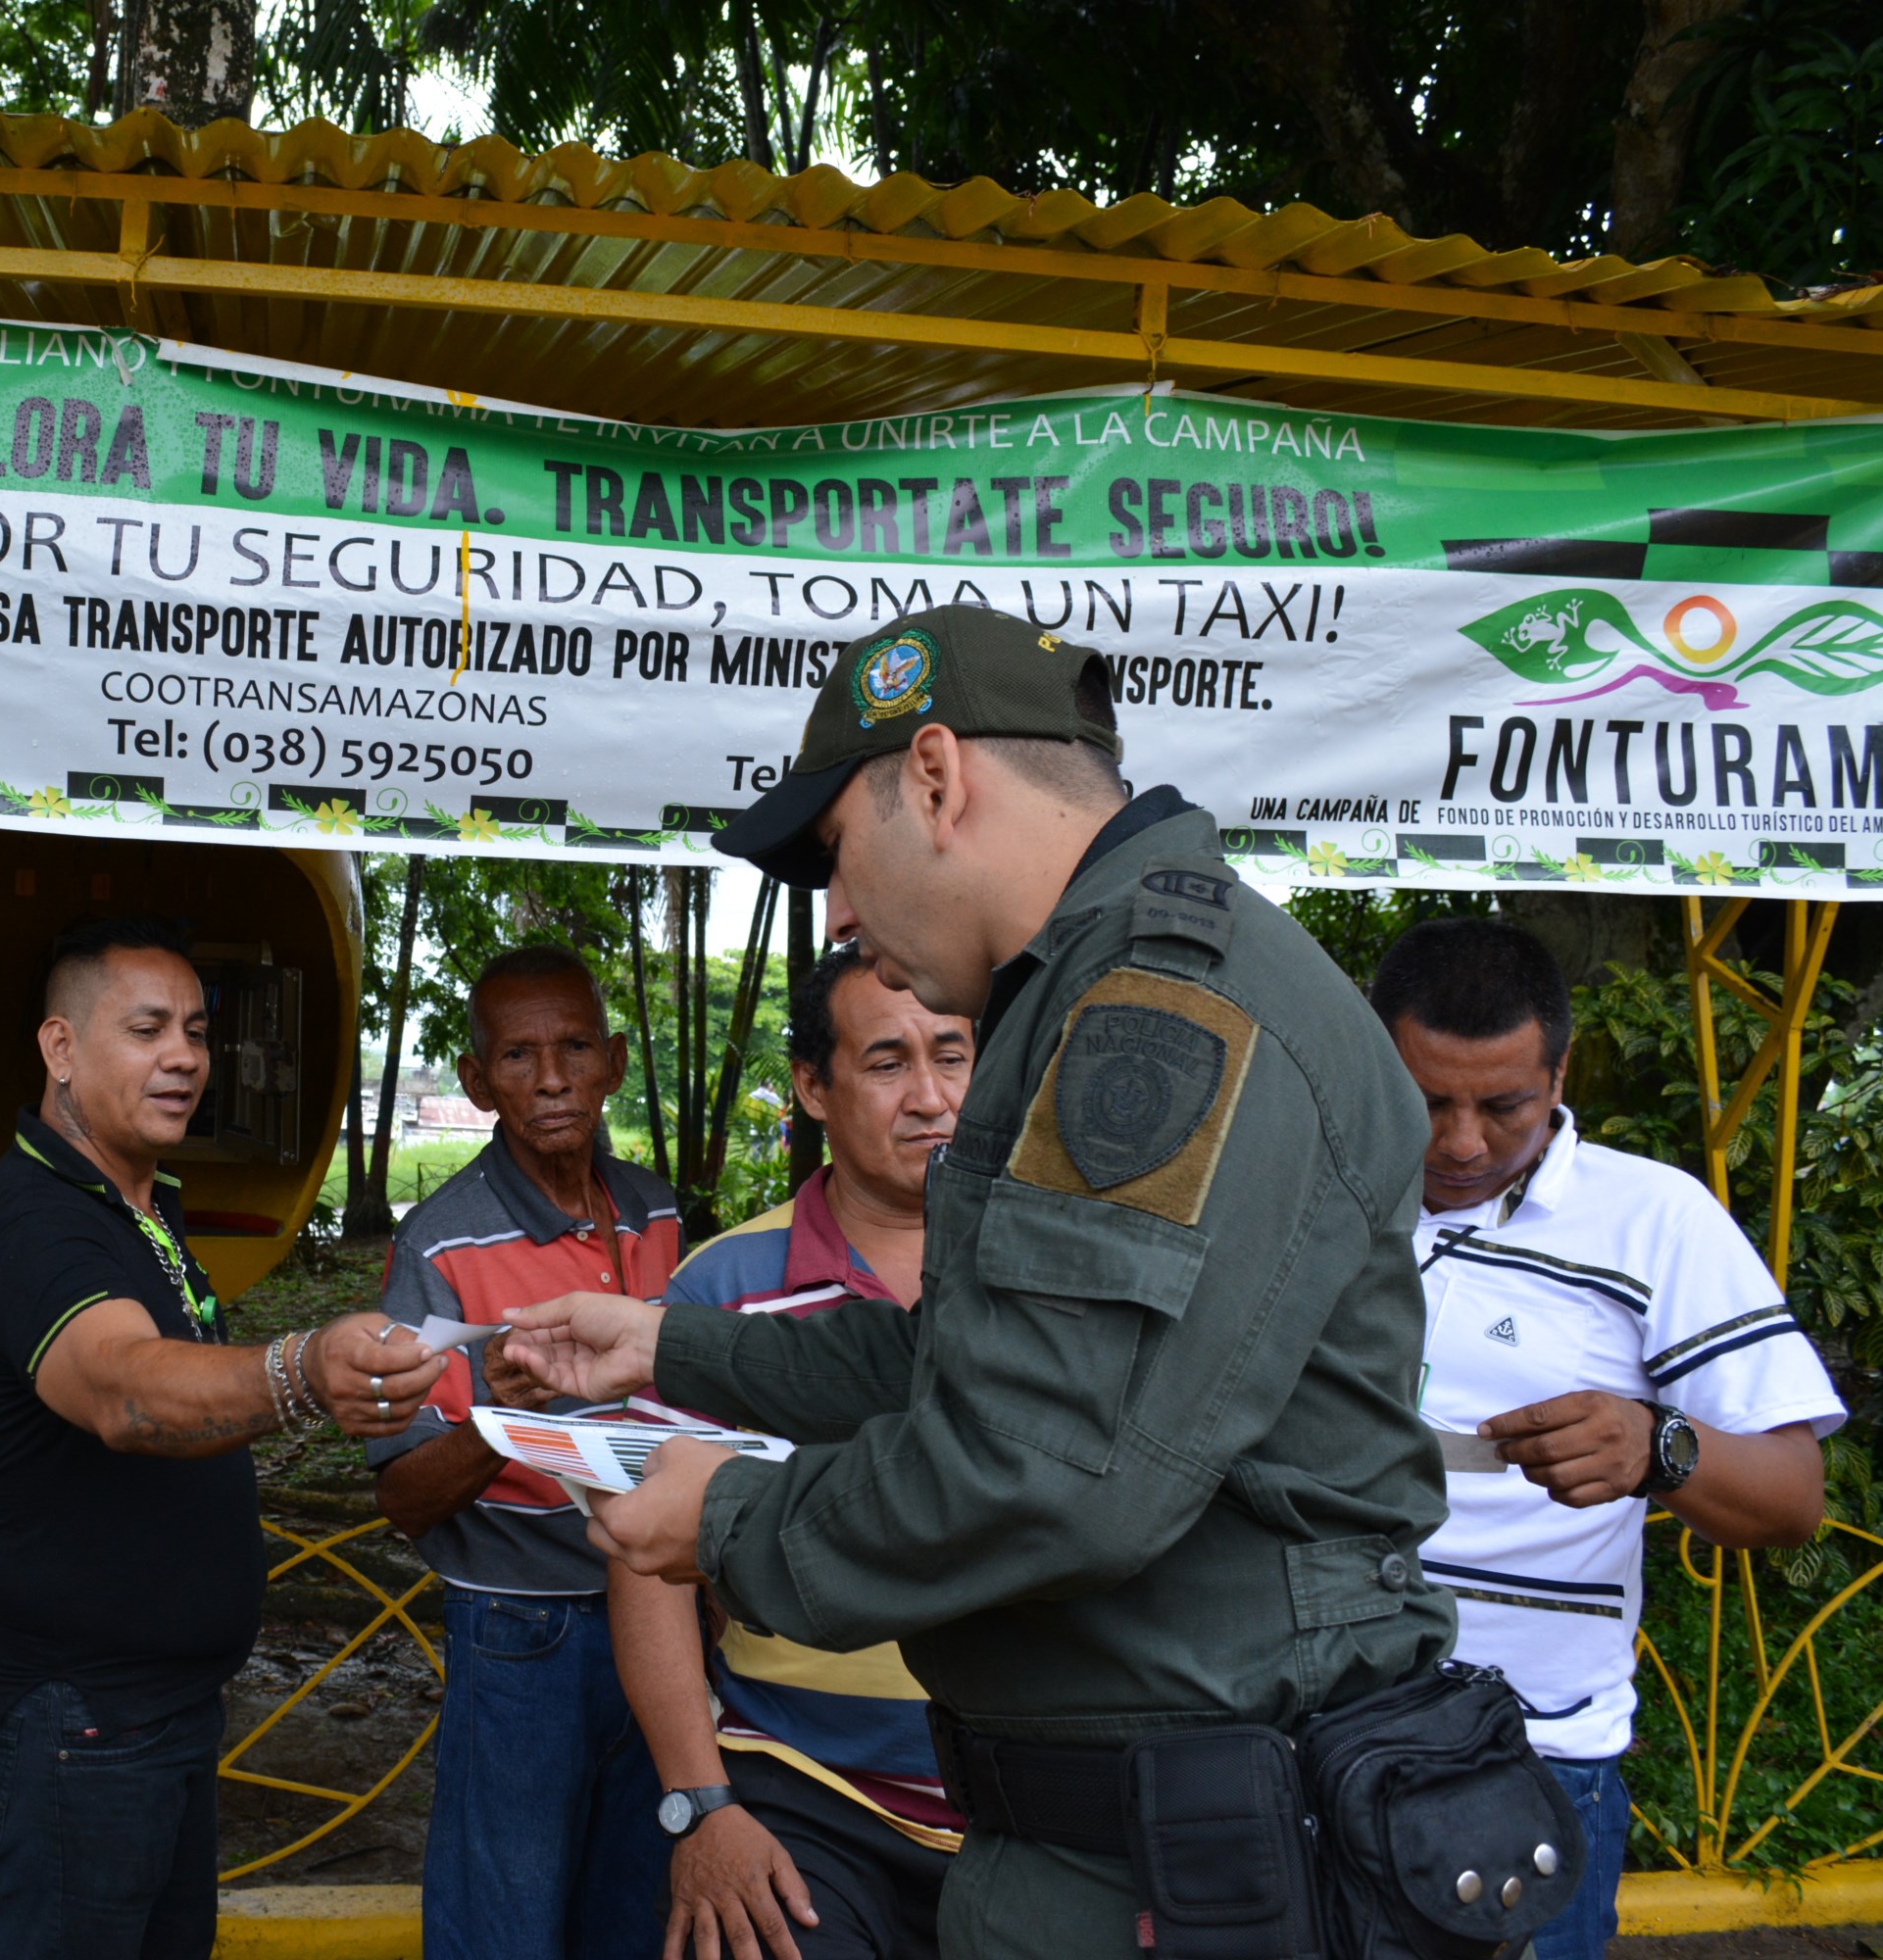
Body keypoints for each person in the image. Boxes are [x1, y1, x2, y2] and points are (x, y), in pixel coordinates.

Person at [503, 606, 1457, 1959]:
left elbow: (1050, 1470)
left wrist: (731, 1525)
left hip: (1197, 1855)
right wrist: (672, 1349)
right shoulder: (1083, 995)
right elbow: (969, 1362)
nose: (836, 909)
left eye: (835, 853)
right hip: (1140, 1828)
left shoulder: (1157, 1016)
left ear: (938, 778)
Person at [0, 916, 447, 1960]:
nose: (185, 1056)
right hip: (76, 1719)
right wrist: (302, 1368)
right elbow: (124, 1389)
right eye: (148, 1028)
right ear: (61, 1048)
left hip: (153, 1707)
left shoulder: (139, 1205)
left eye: (199, 1031)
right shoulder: (41, 1222)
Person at [1371, 915, 1838, 1960]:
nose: (1459, 1140)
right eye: (1425, 1099)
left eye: (1504, 1105)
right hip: (1315, 1733)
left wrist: (1657, 1444)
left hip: (1528, 1760)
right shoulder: (1312, 1195)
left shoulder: (1655, 1220)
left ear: (1561, 1069)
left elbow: (1795, 1494)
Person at [612, 947, 972, 1960]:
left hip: (1032, 1807)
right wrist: (702, 1803)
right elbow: (643, 1562)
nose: (932, 1096)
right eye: (889, 1061)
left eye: (953, 1053)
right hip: (805, 1790)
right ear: (813, 1085)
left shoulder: (1044, 1287)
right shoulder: (724, 1290)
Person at [364, 944, 677, 1960]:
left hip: (669, 1615)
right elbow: (405, 1498)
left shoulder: (662, 1211)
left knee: (637, 1911)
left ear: (616, 1059)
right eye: (518, 1055)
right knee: (504, 1927)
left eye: (576, 1046)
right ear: (475, 1078)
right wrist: (498, 1412)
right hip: (522, 1627)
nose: (552, 1078)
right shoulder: (441, 1244)